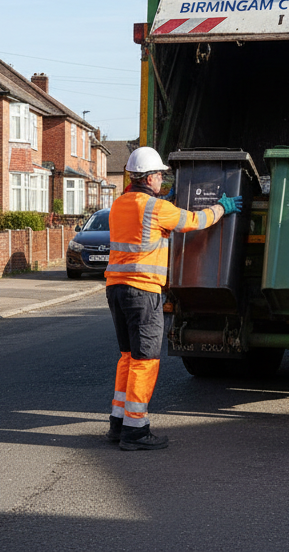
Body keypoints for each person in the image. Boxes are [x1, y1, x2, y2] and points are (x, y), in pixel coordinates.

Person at [105, 146, 242, 451]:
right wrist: (222, 208)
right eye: (160, 176)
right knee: (145, 359)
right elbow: (193, 220)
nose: (162, 182)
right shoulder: (155, 208)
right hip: (143, 291)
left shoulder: (119, 204)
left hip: (116, 289)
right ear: (150, 177)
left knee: (128, 357)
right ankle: (136, 430)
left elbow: (144, 230)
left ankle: (118, 423)